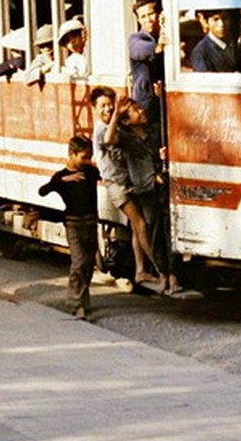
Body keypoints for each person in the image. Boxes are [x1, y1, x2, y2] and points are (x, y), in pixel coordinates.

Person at [91, 86, 161, 286]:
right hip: (118, 186)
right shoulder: (101, 130)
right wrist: (117, 115)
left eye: (110, 105)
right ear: (94, 108)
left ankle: (140, 271)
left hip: (126, 182)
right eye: (103, 106)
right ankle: (159, 269)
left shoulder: (113, 126)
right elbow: (109, 139)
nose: (107, 109)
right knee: (141, 224)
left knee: (135, 229)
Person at [116, 97, 179, 294]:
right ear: (126, 121)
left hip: (161, 188)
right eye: (135, 111)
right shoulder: (126, 139)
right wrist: (116, 113)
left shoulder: (155, 132)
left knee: (168, 232)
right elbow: (108, 138)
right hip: (145, 191)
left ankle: (173, 277)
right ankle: (163, 274)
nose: (141, 111)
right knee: (154, 234)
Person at [38, 136, 102, 320]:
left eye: (89, 157)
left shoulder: (90, 171)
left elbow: (105, 173)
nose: (86, 161)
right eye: (83, 157)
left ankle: (84, 298)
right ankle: (76, 303)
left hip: (91, 222)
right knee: (79, 262)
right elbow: (42, 191)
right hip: (73, 223)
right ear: (71, 154)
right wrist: (64, 181)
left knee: (89, 264)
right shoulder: (61, 176)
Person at [128, 0, 165, 121]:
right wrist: (159, 46)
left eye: (151, 14)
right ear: (138, 20)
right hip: (144, 104)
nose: (148, 20)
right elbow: (140, 50)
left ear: (158, 14)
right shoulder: (136, 39)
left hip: (164, 96)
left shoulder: (163, 34)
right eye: (143, 17)